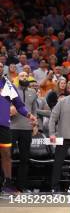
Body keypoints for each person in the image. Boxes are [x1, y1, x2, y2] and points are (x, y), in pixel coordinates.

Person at [0, 64, 37, 193]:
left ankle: (7, 184)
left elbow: (19, 105)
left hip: (4, 125)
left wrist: (29, 115)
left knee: (6, 155)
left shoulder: (8, 85)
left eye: (0, 66)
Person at [10, 70, 38, 192]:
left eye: (26, 76)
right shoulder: (11, 91)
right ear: (17, 78)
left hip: (27, 128)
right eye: (22, 76)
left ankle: (21, 187)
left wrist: (36, 125)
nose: (25, 78)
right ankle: (5, 186)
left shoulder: (33, 92)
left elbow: (34, 110)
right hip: (12, 128)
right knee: (7, 157)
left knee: (25, 159)